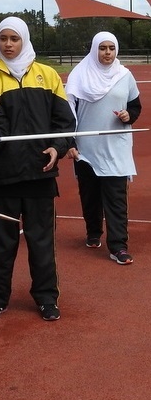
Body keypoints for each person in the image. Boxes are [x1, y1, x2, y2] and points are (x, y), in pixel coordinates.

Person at [0, 16, 75, 323]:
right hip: (2, 179)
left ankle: (46, 298)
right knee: (0, 245)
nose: (8, 44)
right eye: (3, 39)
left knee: (42, 244)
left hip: (40, 175)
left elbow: (65, 123)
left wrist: (57, 147)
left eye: (14, 39)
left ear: (25, 40)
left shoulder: (48, 76)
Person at [65, 31, 141, 265]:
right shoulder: (78, 75)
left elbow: (135, 106)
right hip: (86, 149)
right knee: (90, 196)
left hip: (116, 148)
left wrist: (129, 115)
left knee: (116, 199)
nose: (107, 52)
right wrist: (70, 142)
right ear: (94, 49)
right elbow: (68, 112)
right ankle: (93, 232)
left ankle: (118, 246)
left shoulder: (125, 75)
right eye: (102, 48)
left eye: (111, 48)